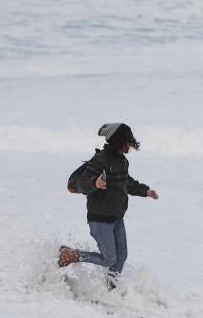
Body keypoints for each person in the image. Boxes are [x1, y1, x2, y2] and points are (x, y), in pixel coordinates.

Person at [58, 123, 159, 289]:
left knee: (121, 256)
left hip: (117, 217)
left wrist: (145, 191)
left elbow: (126, 182)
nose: (130, 145)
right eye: (127, 141)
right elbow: (83, 183)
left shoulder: (122, 161)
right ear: (118, 141)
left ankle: (111, 288)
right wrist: (95, 183)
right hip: (100, 218)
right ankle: (71, 254)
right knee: (109, 259)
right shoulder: (101, 160)